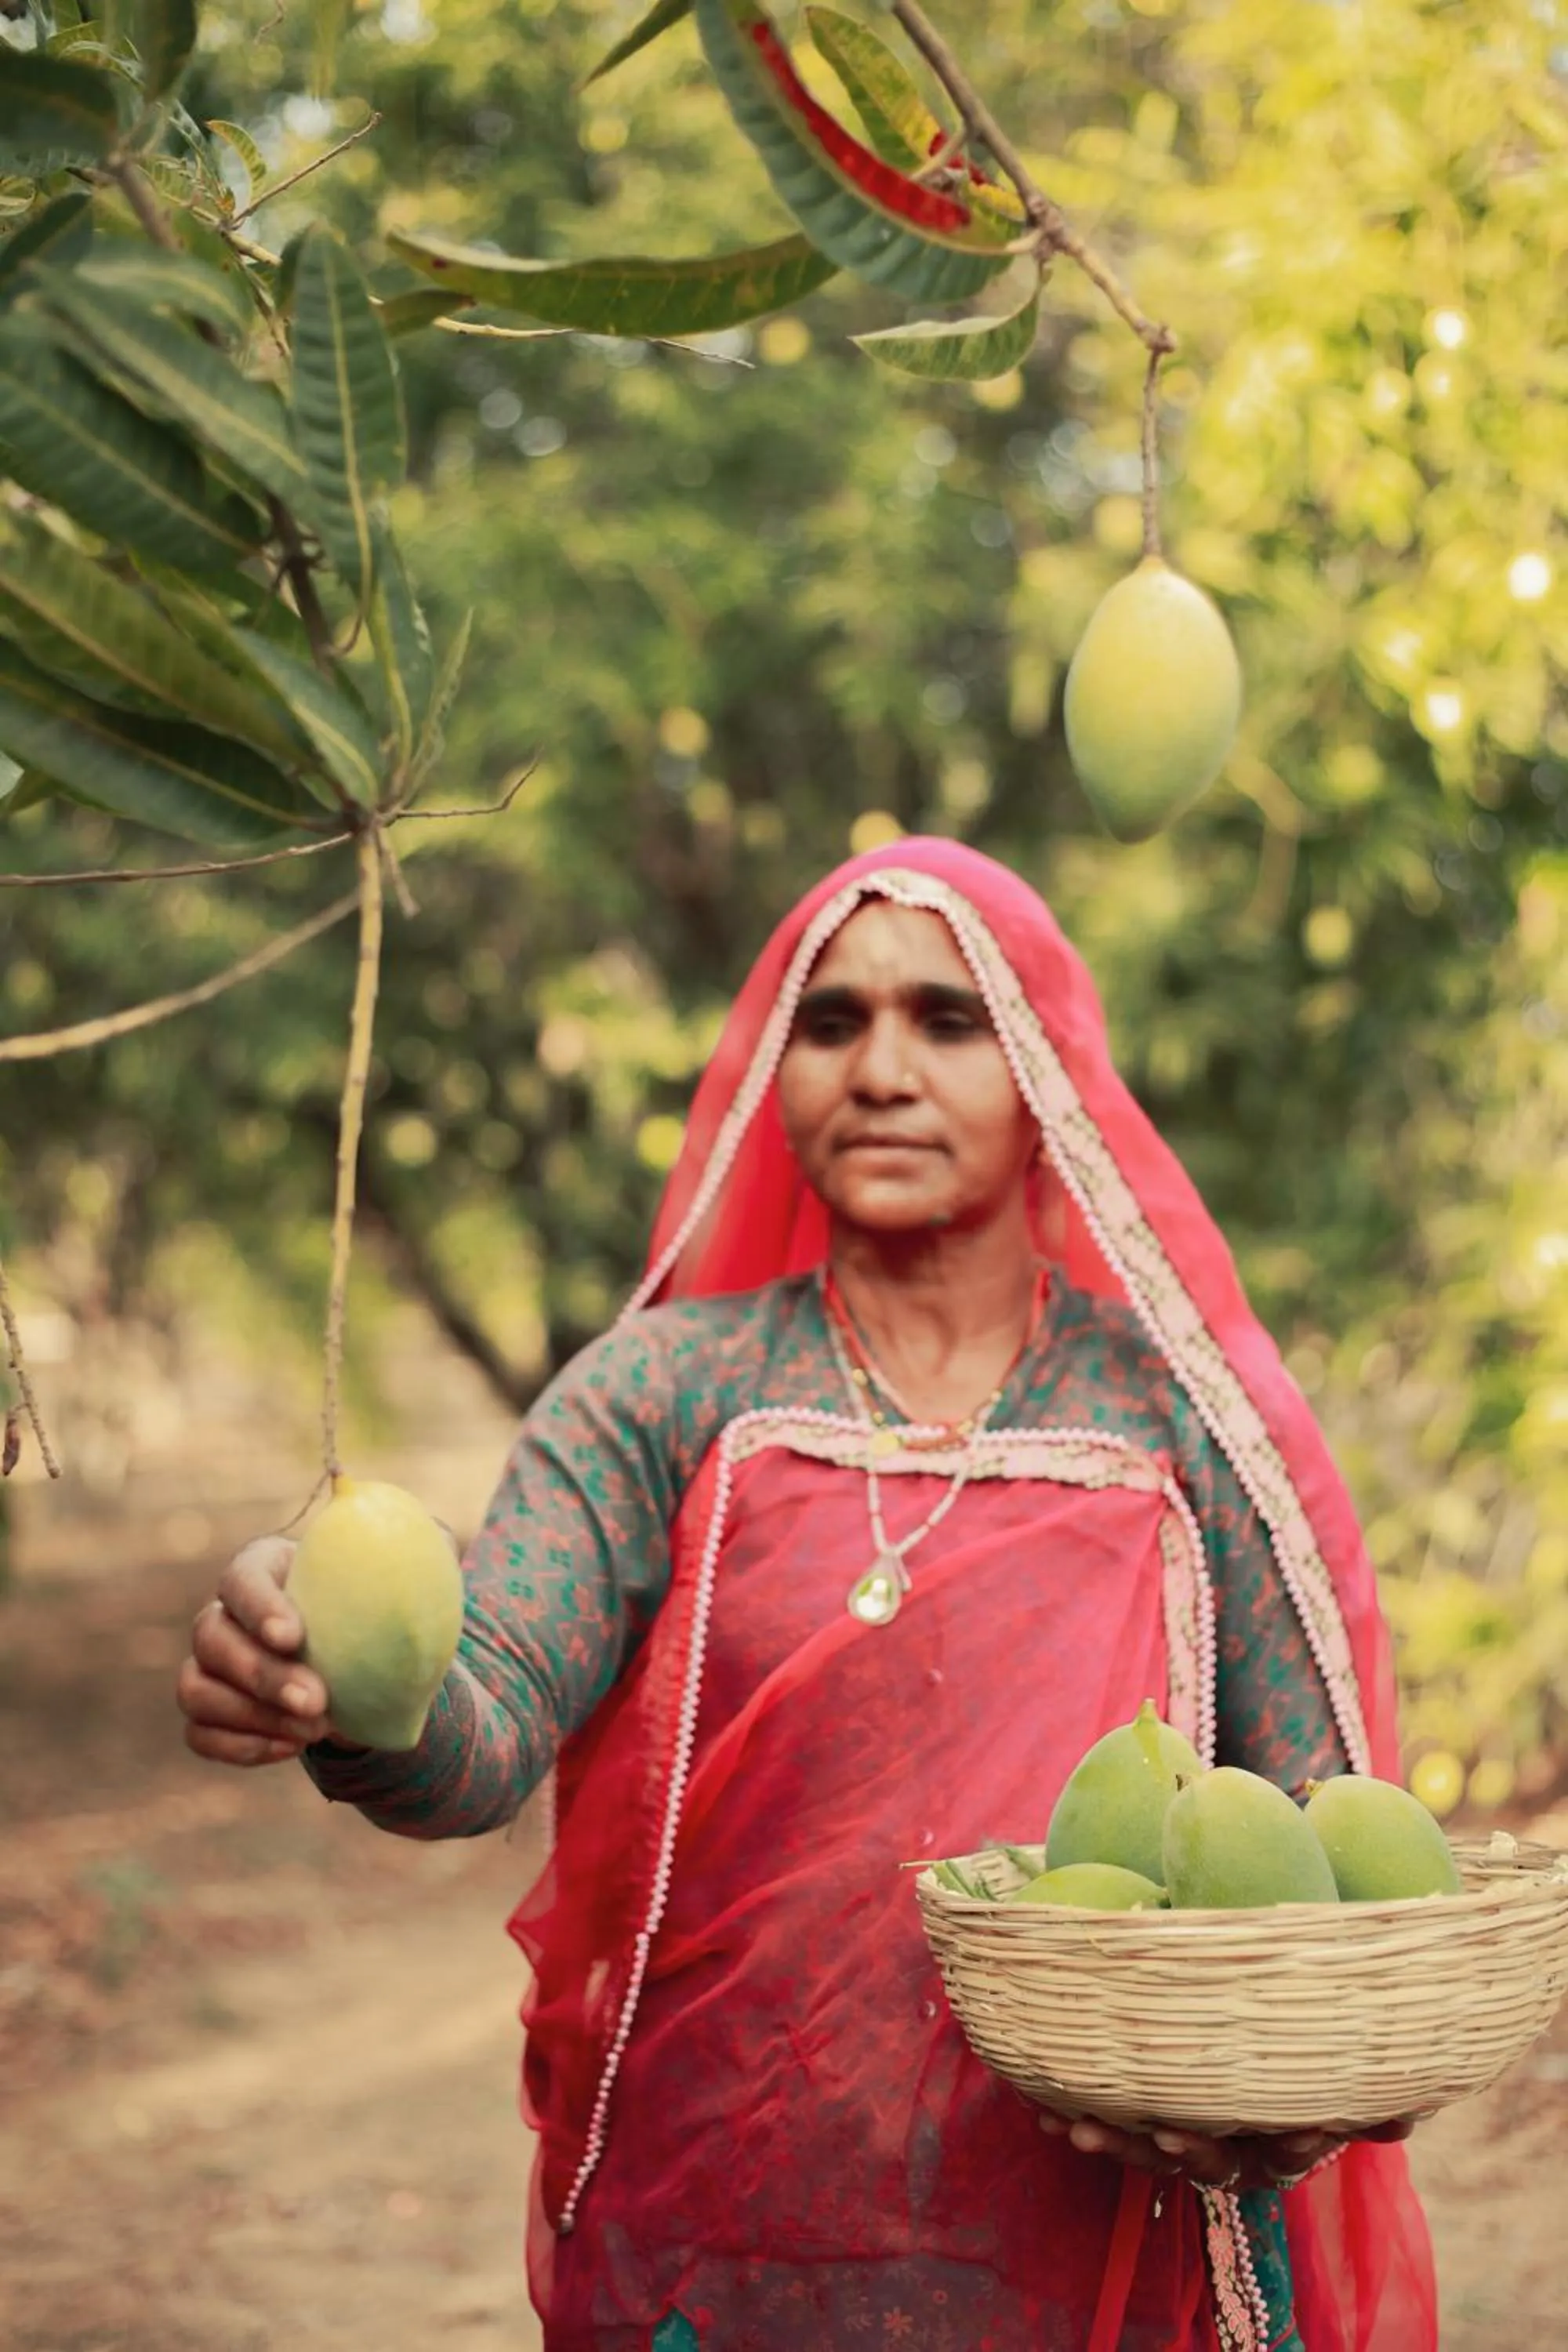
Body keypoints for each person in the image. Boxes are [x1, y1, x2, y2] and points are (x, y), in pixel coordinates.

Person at [178, 839, 1439, 2351]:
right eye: (831, 1022)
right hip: (729, 2231)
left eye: (948, 1020)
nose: (881, 1071)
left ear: (1045, 1064)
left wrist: (1276, 2104)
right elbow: (485, 1719)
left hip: (1122, 2241)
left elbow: (1320, 1854)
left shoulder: (1187, 1420)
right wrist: (335, 1683)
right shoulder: (665, 1393)